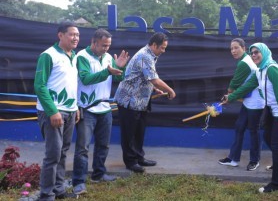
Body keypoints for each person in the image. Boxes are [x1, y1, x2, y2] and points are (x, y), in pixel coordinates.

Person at [222, 42, 278, 193]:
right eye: (252, 53)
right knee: (268, 137)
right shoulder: (260, 70)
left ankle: (277, 184)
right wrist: (230, 97)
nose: (254, 55)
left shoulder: (272, 69)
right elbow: (246, 87)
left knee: (276, 145)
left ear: (264, 52)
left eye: (257, 52)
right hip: (272, 109)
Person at [72, 29, 130, 195]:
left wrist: (120, 67)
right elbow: (86, 79)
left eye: (109, 45)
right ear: (94, 42)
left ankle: (98, 174)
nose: (106, 48)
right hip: (87, 108)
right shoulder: (82, 56)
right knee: (83, 147)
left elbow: (118, 79)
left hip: (105, 108)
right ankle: (79, 181)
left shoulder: (108, 57)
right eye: (103, 45)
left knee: (103, 144)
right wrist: (107, 71)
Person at [114, 32, 176, 173]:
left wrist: (154, 89)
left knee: (139, 131)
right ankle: (130, 162)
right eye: (162, 48)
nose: (163, 51)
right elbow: (154, 78)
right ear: (154, 45)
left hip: (141, 100)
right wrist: (169, 90)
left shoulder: (151, 55)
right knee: (129, 133)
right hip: (129, 100)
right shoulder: (145, 56)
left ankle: (139, 157)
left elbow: (144, 77)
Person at [34, 21, 80, 200]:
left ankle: (59, 190)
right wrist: (53, 111)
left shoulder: (73, 56)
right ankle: (46, 195)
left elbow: (71, 85)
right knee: (53, 154)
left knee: (62, 152)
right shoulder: (48, 55)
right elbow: (40, 86)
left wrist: (75, 107)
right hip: (53, 112)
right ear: (60, 35)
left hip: (69, 111)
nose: (75, 38)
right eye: (71, 34)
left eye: (77, 35)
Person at [218, 38, 265, 171]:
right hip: (248, 101)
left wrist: (228, 97)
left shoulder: (244, 63)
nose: (233, 51)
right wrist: (231, 96)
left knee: (254, 131)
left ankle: (254, 160)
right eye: (231, 48)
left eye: (236, 48)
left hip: (256, 103)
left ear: (244, 48)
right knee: (239, 127)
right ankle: (233, 158)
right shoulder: (244, 60)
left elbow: (233, 86)